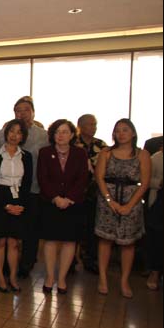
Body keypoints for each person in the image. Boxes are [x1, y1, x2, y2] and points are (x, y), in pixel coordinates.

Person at [0, 96, 48, 279]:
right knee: (6, 233)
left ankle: (26, 265)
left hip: (33, 190)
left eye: (26, 110)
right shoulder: (3, 132)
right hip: (6, 192)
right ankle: (5, 268)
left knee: (30, 231)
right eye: (18, 111)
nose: (22, 114)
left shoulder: (43, 135)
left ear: (33, 113)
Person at [95, 118, 151, 298]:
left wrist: (129, 205)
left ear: (133, 133)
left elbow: (145, 183)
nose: (121, 133)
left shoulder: (142, 155)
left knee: (128, 244)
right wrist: (110, 201)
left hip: (131, 201)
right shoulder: (106, 153)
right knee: (105, 241)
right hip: (107, 201)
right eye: (118, 130)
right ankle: (103, 278)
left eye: (125, 130)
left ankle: (124, 280)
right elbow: (99, 178)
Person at [38, 119, 89, 294]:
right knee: (51, 240)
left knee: (69, 241)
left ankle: (61, 278)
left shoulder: (80, 154)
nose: (60, 135)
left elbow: (83, 179)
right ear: (52, 134)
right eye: (57, 132)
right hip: (51, 203)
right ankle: (50, 276)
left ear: (72, 135)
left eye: (65, 131)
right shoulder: (45, 153)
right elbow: (42, 179)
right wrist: (56, 198)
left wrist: (69, 199)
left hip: (73, 204)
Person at [0, 119, 33, 292]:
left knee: (14, 242)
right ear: (6, 133)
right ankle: (0, 276)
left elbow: (27, 183)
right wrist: (5, 205)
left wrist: (20, 205)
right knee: (0, 241)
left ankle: (13, 276)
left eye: (19, 132)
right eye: (12, 131)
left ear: (23, 136)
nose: (15, 135)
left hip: (19, 198)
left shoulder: (27, 157)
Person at [74, 114, 108, 273]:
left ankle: (90, 259)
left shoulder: (101, 145)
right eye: (90, 124)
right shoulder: (73, 142)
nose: (93, 127)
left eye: (95, 124)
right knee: (74, 226)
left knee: (92, 227)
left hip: (95, 193)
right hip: (74, 192)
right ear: (80, 126)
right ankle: (71, 260)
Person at [146, 147, 163, 290]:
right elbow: (146, 180)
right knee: (157, 239)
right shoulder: (156, 158)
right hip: (159, 204)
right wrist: (160, 182)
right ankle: (155, 272)